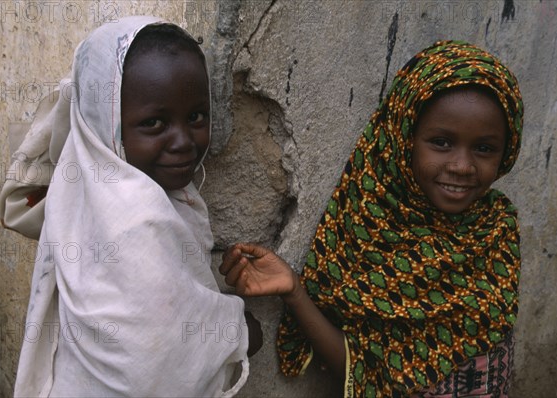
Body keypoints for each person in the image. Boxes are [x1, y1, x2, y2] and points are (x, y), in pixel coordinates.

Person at [220, 40, 523, 397]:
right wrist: (295, 291)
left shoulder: (496, 227)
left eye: (484, 148)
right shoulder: (369, 230)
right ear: (403, 137)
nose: (462, 166)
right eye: (441, 142)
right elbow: (365, 373)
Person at [0, 16, 261, 397]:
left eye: (196, 117)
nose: (183, 141)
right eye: (155, 123)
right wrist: (242, 331)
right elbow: (156, 357)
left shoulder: (85, 188)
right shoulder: (138, 220)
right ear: (106, 124)